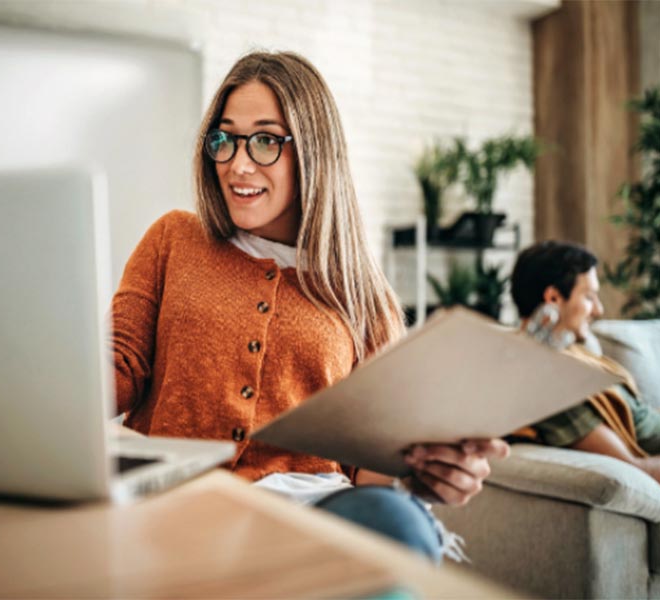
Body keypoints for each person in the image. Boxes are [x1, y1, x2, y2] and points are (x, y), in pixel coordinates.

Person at [111, 50, 509, 562]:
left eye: (264, 140)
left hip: (311, 521)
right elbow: (117, 365)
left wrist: (424, 474)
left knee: (398, 522)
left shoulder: (365, 298)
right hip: (179, 506)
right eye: (224, 139)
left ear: (314, 152)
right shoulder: (174, 239)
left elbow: (374, 471)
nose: (237, 162)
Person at [510, 240, 660, 486]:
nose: (599, 310)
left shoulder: (572, 356)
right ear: (553, 297)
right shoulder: (551, 384)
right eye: (589, 297)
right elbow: (635, 472)